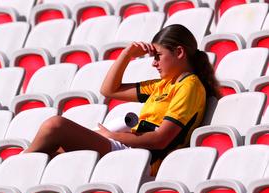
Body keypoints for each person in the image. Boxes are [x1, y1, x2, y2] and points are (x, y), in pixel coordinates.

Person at [24, 24, 220, 173]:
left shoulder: (190, 85)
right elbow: (109, 90)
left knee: (55, 126)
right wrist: (127, 55)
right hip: (129, 147)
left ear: (179, 52)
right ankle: (18, 168)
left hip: (142, 156)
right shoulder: (163, 84)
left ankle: (17, 164)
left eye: (158, 56)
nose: (154, 63)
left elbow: (161, 139)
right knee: (52, 152)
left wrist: (112, 136)